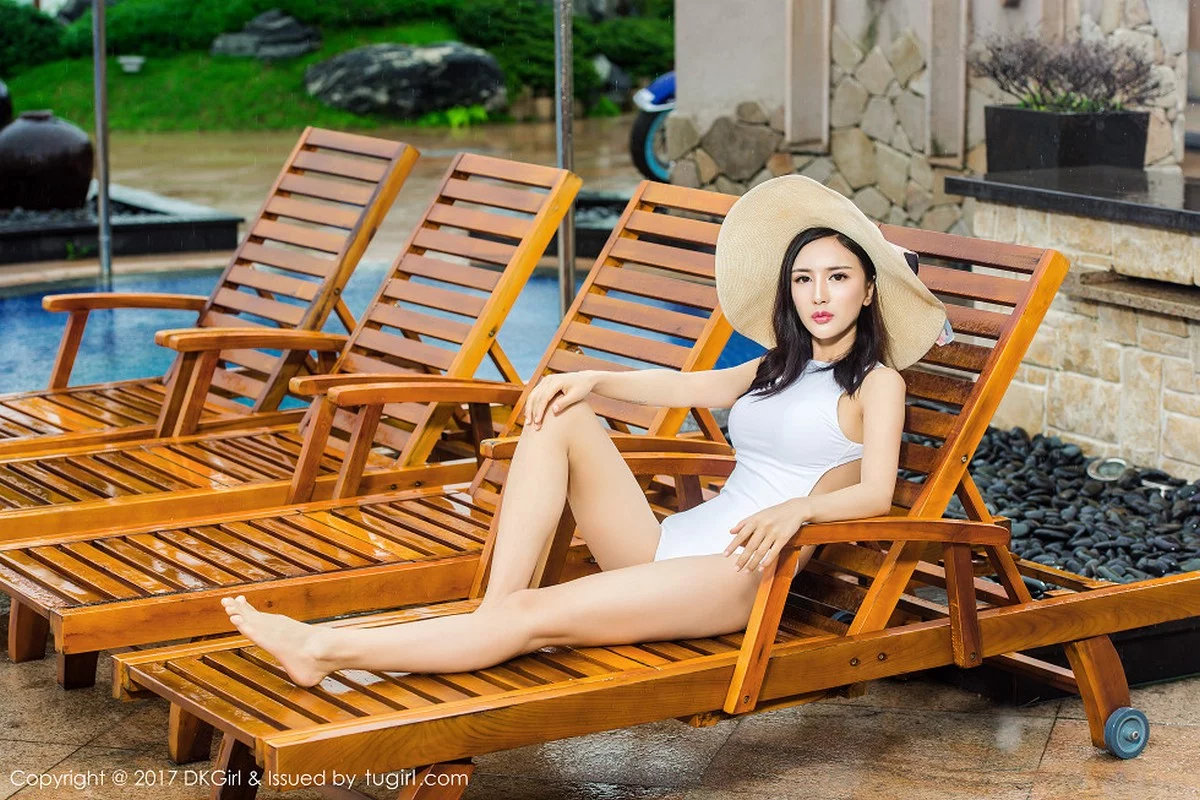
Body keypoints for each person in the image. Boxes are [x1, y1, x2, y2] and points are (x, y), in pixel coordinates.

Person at [220, 175, 949, 688]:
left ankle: (325, 650)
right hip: (668, 543)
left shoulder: (876, 383)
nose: (819, 294)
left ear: (868, 290)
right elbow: (685, 386)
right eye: (804, 279)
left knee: (537, 619)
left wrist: (800, 510)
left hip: (733, 575)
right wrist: (594, 378)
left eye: (838, 277)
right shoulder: (776, 365)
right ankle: (494, 608)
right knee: (561, 411)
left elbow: (877, 494)